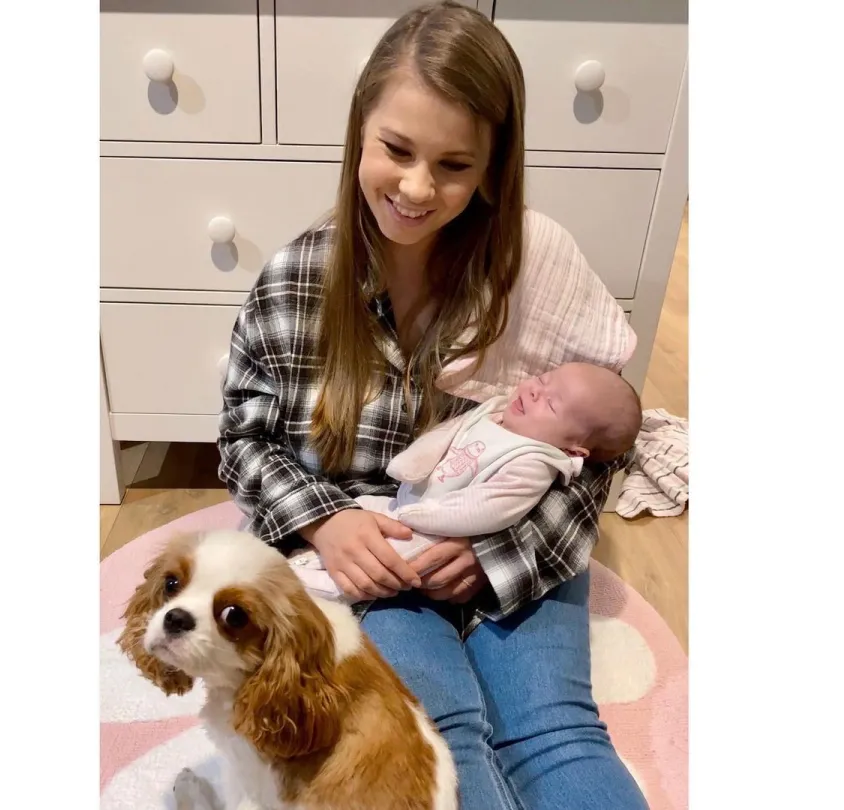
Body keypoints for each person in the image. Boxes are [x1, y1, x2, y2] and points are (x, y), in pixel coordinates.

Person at [218, 2, 649, 807]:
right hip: (381, 553)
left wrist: (504, 551)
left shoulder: (536, 261)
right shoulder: (297, 282)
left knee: (554, 730)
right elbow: (245, 440)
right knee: (436, 729)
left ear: (492, 167)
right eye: (396, 150)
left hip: (519, 537)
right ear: (359, 133)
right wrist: (327, 521)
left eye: (453, 165)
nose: (416, 188)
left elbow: (607, 441)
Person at [287, 362, 643, 604]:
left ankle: (315, 587)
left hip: (437, 531)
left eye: (550, 404)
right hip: (405, 501)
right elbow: (444, 435)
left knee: (384, 567)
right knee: (352, 512)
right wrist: (407, 467)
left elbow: (488, 510)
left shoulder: (535, 460)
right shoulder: (497, 411)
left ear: (572, 447)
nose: (534, 391)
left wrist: (423, 517)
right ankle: (308, 558)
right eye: (543, 379)